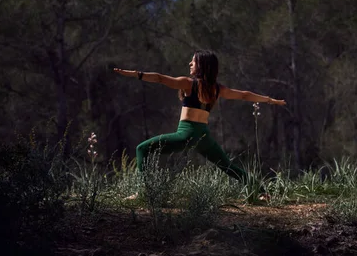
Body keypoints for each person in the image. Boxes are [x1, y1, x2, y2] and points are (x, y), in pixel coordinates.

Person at [114, 50, 285, 187]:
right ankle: (262, 191)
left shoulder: (188, 83)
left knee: (142, 149)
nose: (190, 64)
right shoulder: (217, 89)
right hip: (203, 137)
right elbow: (244, 95)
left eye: (193, 62)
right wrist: (269, 100)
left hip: (186, 134)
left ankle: (143, 192)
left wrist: (136, 74)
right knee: (227, 166)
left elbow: (159, 78)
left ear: (201, 66)